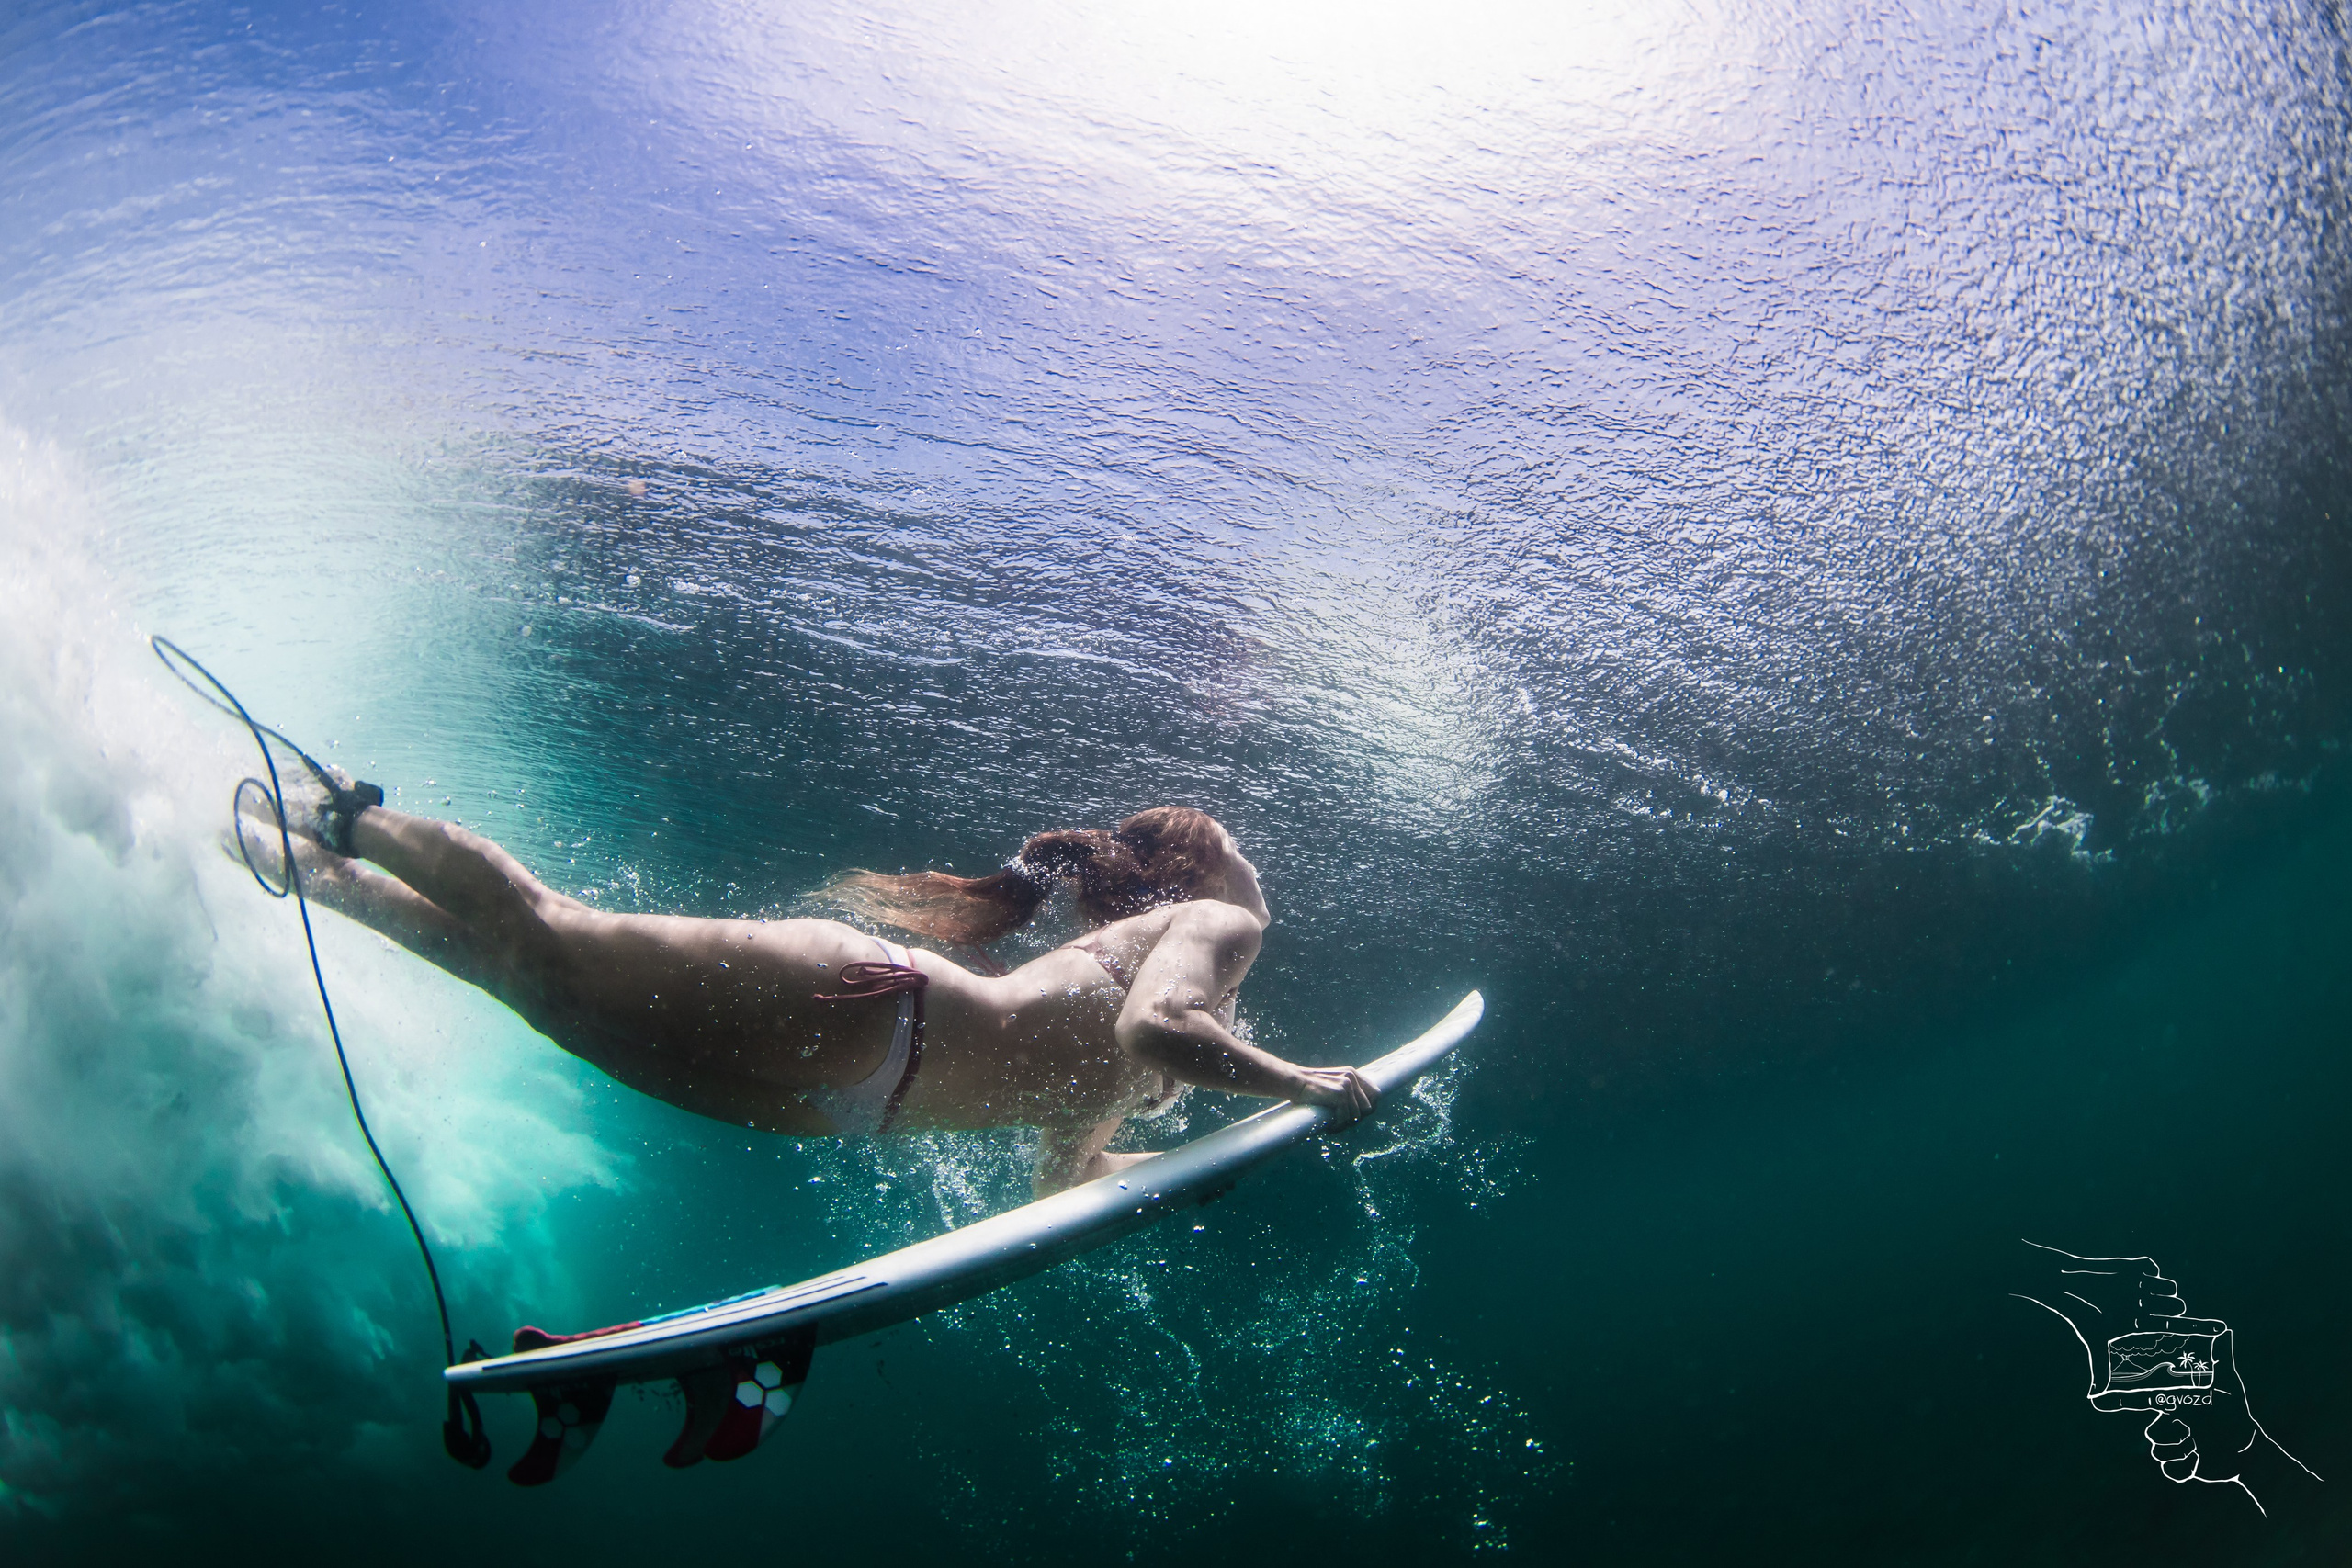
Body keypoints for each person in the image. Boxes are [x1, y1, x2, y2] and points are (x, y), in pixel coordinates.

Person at [235, 772, 1376, 1194]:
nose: (1248, 852)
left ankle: (317, 876)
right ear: (1206, 867)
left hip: (844, 1101)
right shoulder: (1221, 925)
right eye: (1235, 836)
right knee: (558, 939)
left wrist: (1204, 1158)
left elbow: (1060, 1180)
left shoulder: (1169, 1005)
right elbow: (1156, 1026)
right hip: (872, 1007)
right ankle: (344, 812)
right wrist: (1300, 1088)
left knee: (548, 996)